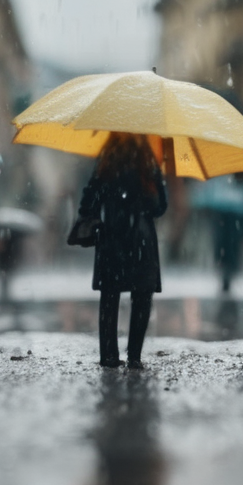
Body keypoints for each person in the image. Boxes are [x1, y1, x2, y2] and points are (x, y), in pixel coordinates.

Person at [73, 133, 168, 368]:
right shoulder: (148, 162)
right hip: (141, 236)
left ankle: (108, 355)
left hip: (113, 234)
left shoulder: (107, 161)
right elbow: (160, 206)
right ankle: (134, 356)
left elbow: (89, 201)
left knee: (110, 295)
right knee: (142, 295)